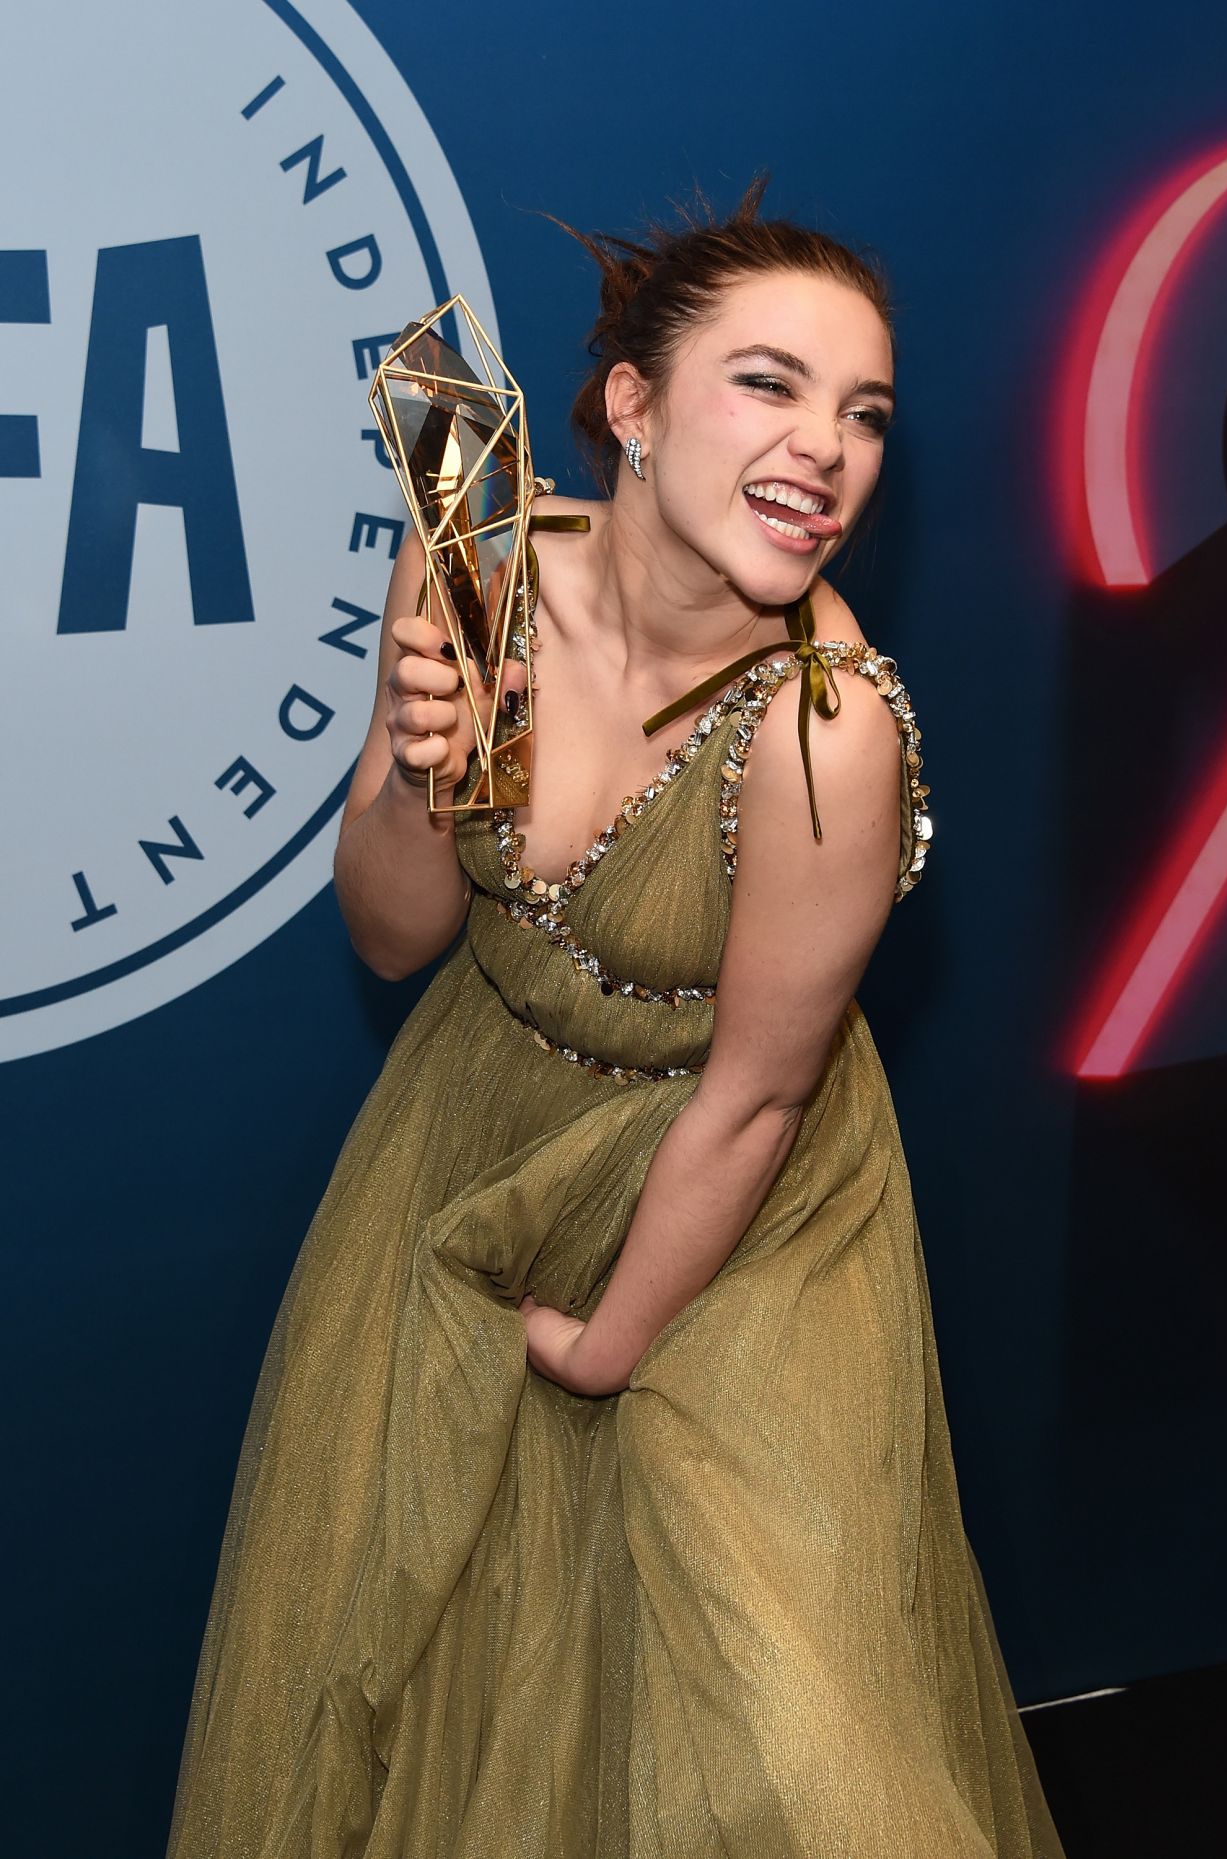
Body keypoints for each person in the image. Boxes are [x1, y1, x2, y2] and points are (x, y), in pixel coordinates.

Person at [165, 176, 1067, 1859]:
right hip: (477, 1136)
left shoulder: (825, 725)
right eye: (770, 384)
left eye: (864, 412)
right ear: (634, 409)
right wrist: (414, 761)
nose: (828, 449)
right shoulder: (484, 561)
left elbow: (751, 1102)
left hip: (740, 1213)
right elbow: (392, 939)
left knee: (795, 1749)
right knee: (429, 1695)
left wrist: (602, 1345)